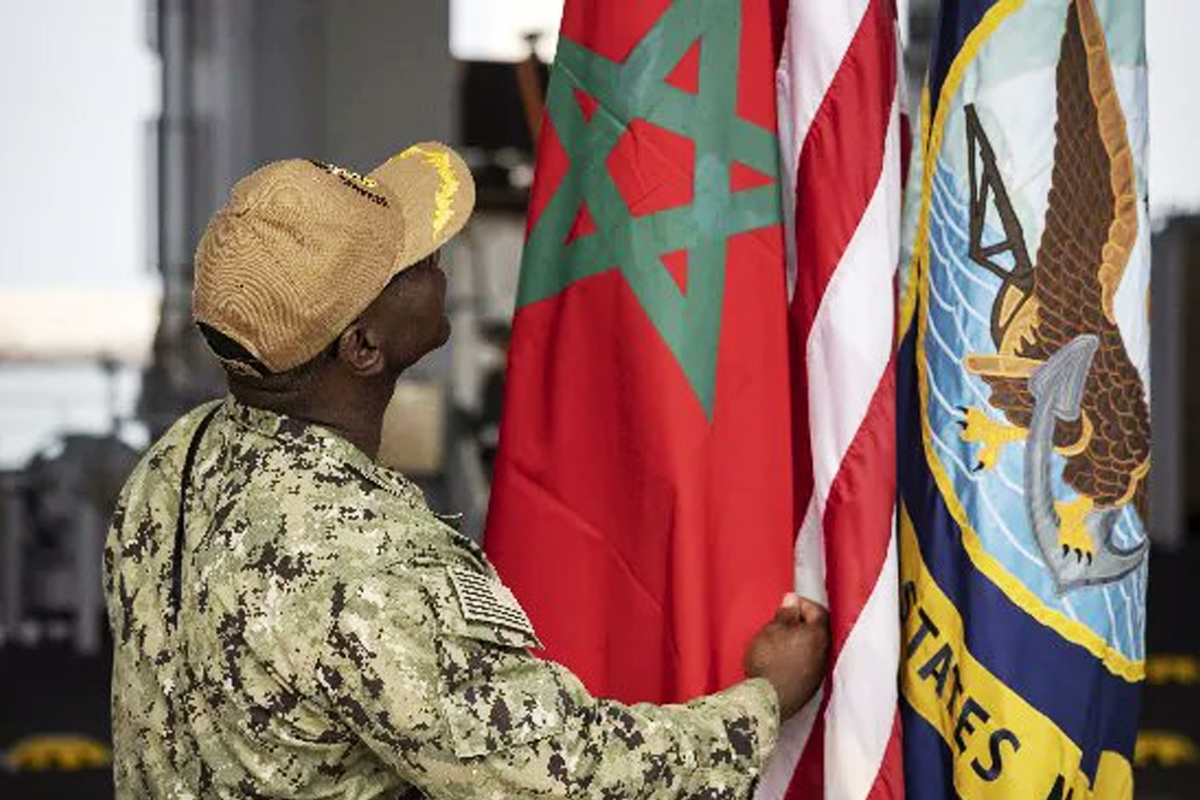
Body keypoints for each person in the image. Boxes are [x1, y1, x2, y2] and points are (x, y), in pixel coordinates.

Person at [103, 143, 830, 799]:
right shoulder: (364, 558)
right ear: (362, 347)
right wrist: (763, 703)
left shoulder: (177, 460)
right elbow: (560, 776)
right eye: (410, 263)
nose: (437, 258)